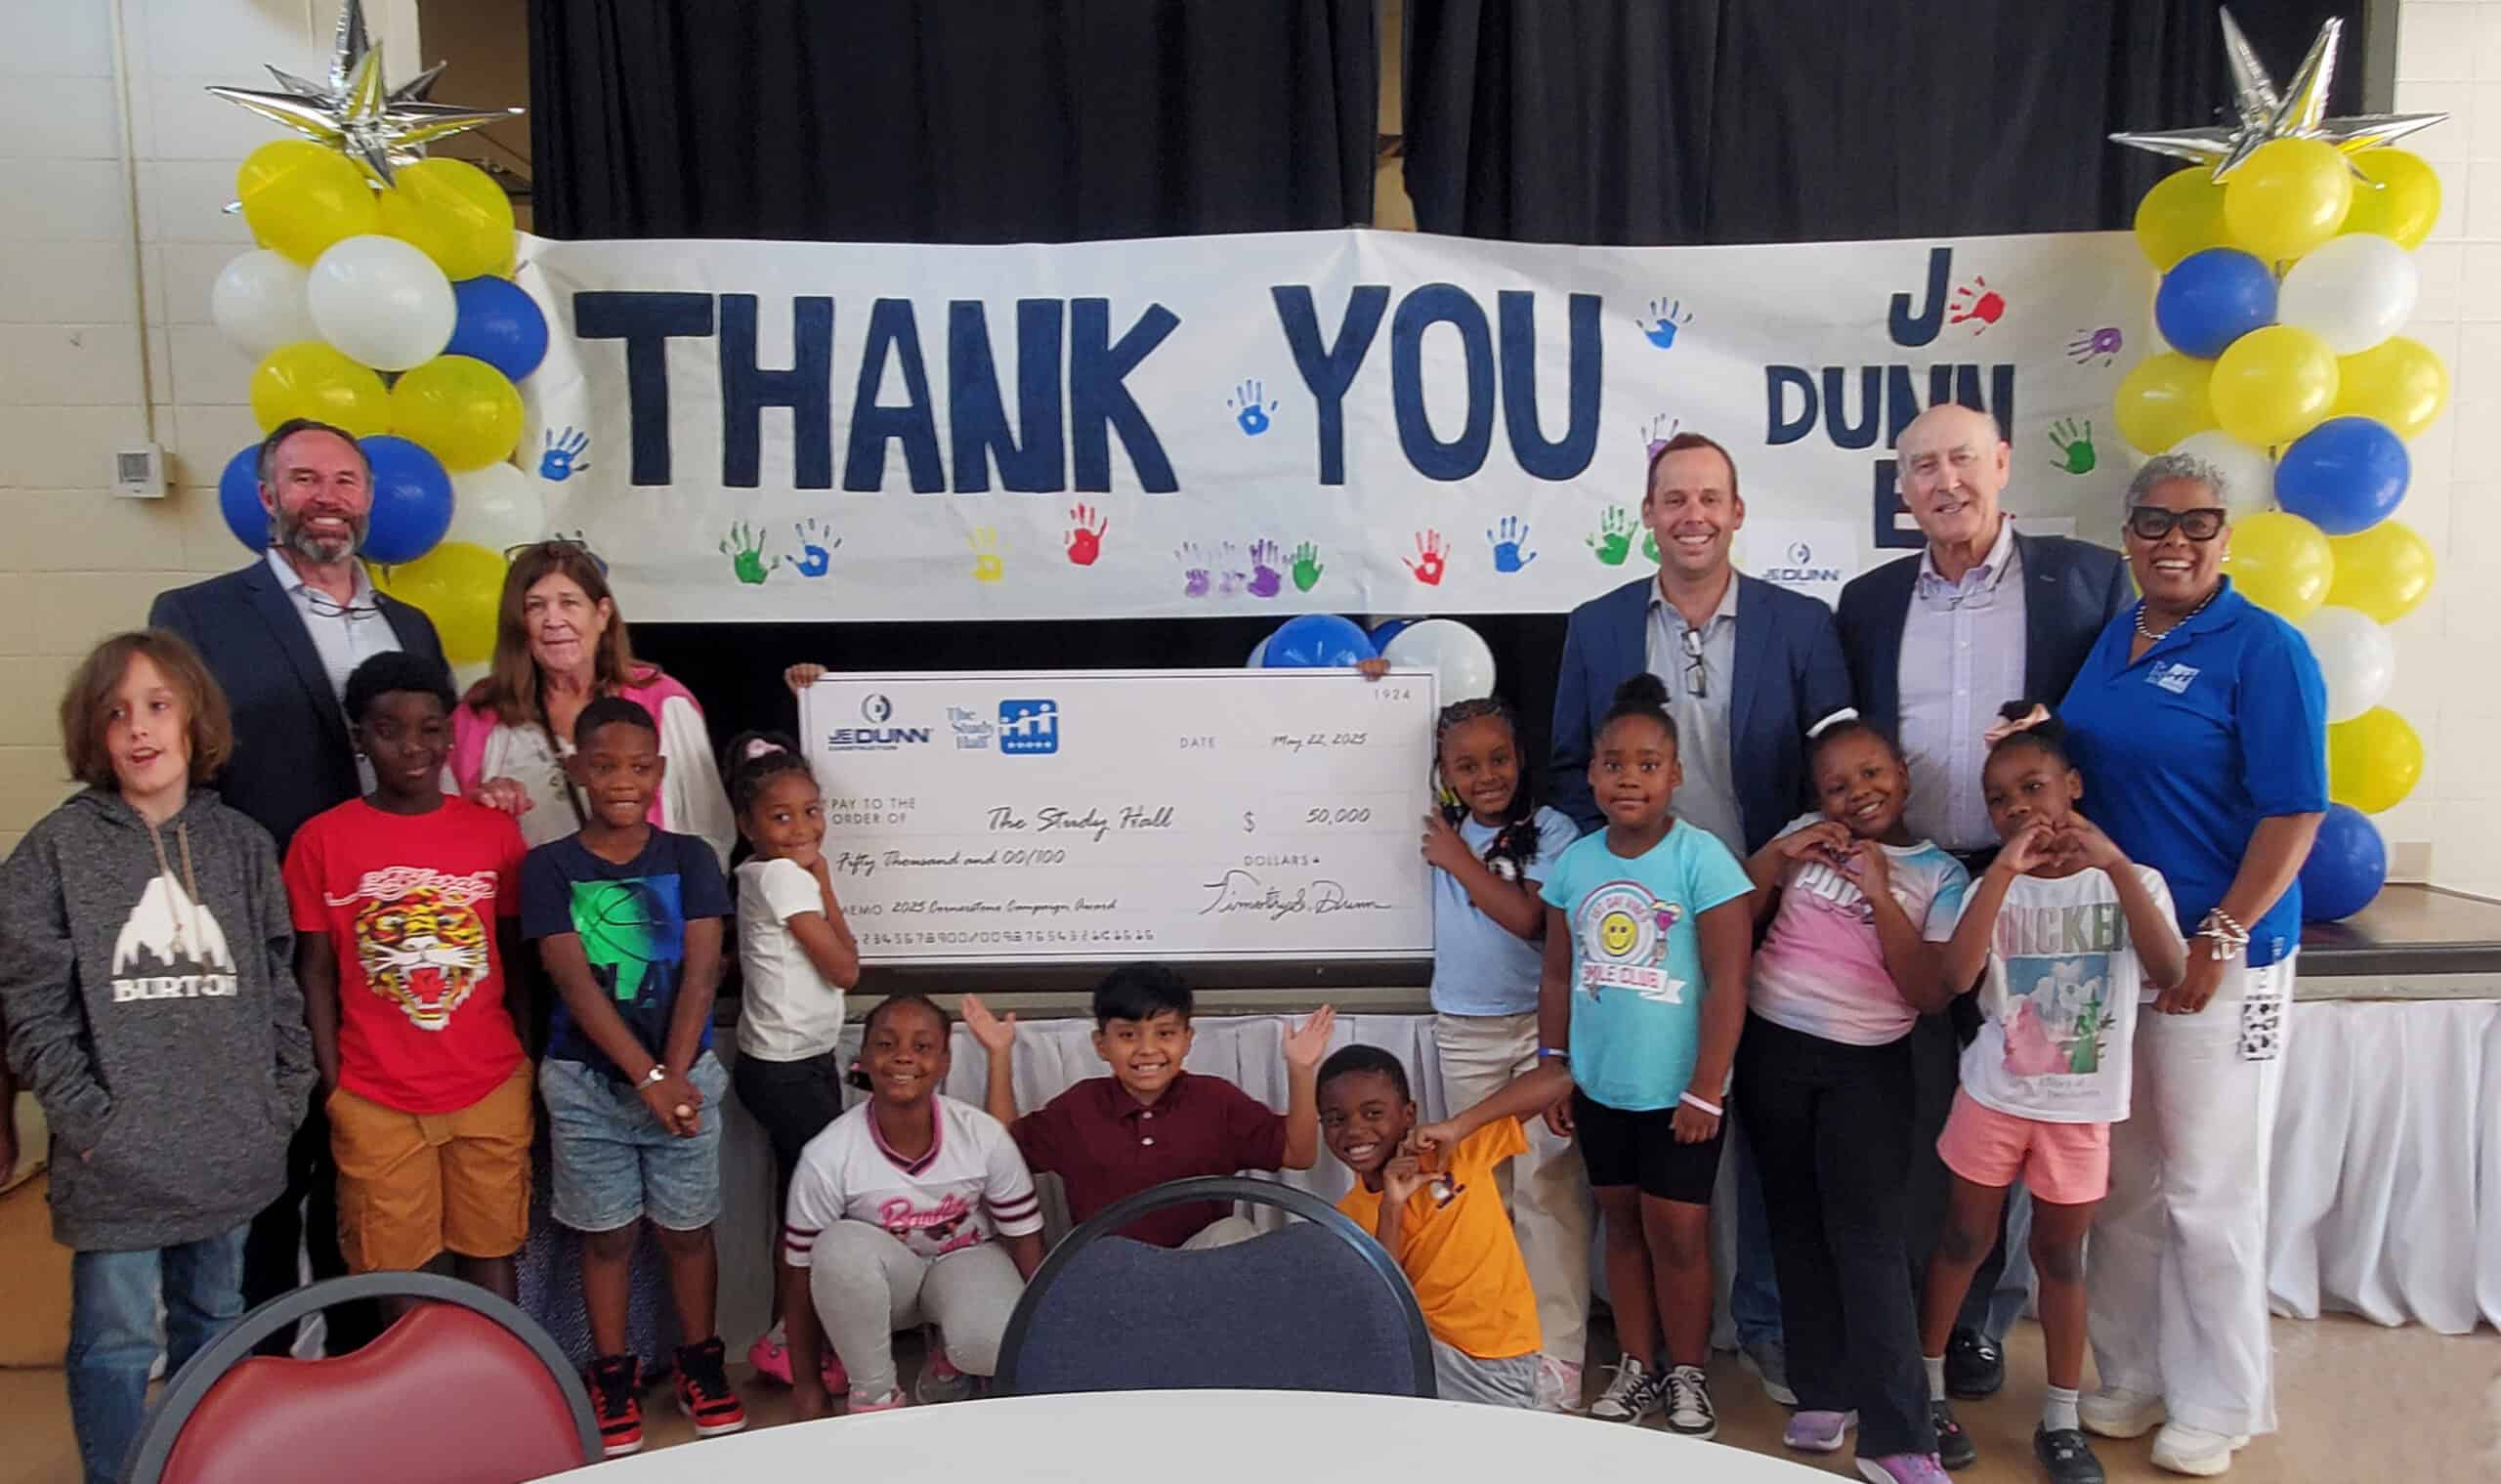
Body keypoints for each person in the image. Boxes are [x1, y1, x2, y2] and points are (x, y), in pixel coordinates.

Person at [1836, 402, 2132, 1399]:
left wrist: (2061, 734)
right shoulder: (1869, 599)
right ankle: (1915, 1311)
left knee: (2028, 1095)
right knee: (1932, 1112)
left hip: (2038, 886)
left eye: (1962, 458)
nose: (1945, 481)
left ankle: (1981, 1322)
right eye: (1922, 467)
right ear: (1901, 490)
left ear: (2002, 463)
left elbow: (2111, 731)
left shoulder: (2086, 581)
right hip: (1918, 878)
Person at [1550, 431, 1852, 1401]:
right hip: (1637, 924)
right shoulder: (1596, 626)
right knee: (1644, 1147)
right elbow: (1569, 765)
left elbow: (1834, 771)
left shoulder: (1800, 624)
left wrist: (1771, 873)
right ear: (1646, 515)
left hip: (1770, 914)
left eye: (1709, 498)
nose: (1692, 515)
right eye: (1673, 498)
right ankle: (1649, 1348)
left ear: (1737, 512)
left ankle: (1764, 1322)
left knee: (1760, 1121)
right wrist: (1620, 869)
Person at [149, 418, 448, 1356]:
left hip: (394, 932)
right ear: (267, 495)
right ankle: (264, 1370)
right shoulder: (196, 614)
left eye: (346, 481)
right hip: (268, 930)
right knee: (277, 1162)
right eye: (305, 478)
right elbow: (179, 781)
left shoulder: (411, 625)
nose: (328, 497)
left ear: (369, 498)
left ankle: (361, 1359)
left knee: (364, 1164)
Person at [2054, 453, 2327, 1477]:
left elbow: (2295, 810)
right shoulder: (2112, 636)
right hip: (2120, 949)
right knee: (2121, 1180)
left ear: (2227, 535)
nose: (2175, 541)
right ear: (2126, 534)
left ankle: (2220, 1396)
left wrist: (2222, 932)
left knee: (2210, 1183)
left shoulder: (2266, 648)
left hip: (2225, 955)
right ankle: (2131, 1373)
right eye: (2154, 522)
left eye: (2197, 523)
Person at [0, 631, 316, 1484]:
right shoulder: (55, 851)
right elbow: (29, 1004)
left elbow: (280, 986)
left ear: (193, 719)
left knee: (214, 1316)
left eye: (157, 706)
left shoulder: (242, 845)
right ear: (93, 733)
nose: (138, 729)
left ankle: (195, 1468)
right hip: (115, 1163)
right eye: (116, 713)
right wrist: (88, 1121)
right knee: (115, 1341)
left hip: (230, 1147)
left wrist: (280, 1102)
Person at [1922, 712, 2185, 1484]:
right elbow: (1953, 978)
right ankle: (1926, 1390)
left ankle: (2063, 1416)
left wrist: (2117, 866)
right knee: (1963, 1239)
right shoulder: (1989, 887)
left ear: (2073, 786)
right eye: (1999, 799)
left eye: (2033, 787)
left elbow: (2171, 970)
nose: (2018, 808)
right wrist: (2001, 875)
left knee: (2062, 1256)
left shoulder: (2133, 881)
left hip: (2079, 1109)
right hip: (1994, 1097)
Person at [1735, 721, 1969, 1483]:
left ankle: (1898, 1432)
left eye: (1871, 773)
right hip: (1773, 1048)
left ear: (1903, 772)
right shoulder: (1806, 835)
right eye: (1836, 785)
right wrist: (1781, 854)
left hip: (1867, 1066)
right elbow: (1733, 912)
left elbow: (1929, 992)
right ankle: (1824, 1389)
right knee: (1794, 1223)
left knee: (1868, 1239)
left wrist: (1879, 890)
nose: (1857, 793)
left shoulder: (1939, 872)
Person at [520, 697, 743, 1456]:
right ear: (576, 769)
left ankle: (699, 1363)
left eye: (639, 766)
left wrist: (671, 1077)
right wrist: (648, 1077)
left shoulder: (690, 857)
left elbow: (704, 970)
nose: (623, 779)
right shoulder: (550, 867)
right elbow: (572, 980)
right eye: (605, 764)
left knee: (687, 1230)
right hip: (588, 1085)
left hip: (685, 1077)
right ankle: (611, 1375)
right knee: (608, 1235)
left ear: (660, 771)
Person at [280, 654, 532, 1311]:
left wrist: (523, 1063)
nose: (412, 746)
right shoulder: (320, 841)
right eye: (389, 730)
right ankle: (414, 1380)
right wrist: (334, 1085)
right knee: (396, 1269)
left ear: (451, 733)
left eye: (430, 728)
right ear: (359, 739)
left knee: (492, 1250)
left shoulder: (494, 834)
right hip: (375, 1094)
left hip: (489, 1082)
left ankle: (495, 1370)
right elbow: (314, 970)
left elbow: (517, 960)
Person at [1538, 673, 1755, 1436]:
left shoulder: (1704, 861)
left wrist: (1705, 1087)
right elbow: (1558, 973)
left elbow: (1729, 981)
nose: (1629, 778)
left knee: (1680, 1233)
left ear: (1676, 774)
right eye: (1613, 763)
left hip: (1680, 1095)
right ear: (1592, 774)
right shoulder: (1575, 864)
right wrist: (1553, 1063)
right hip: (1601, 1088)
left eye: (1647, 763)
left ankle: (1688, 1370)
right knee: (1621, 1226)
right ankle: (1638, 1363)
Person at [1414, 694, 1592, 1409]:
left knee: (1546, 1190)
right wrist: (1371, 676)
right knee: (1482, 1195)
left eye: (1499, 758)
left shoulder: (1553, 830)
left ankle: (1559, 1352)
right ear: (1444, 772)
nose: (1486, 775)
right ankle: (1499, 1344)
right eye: (1467, 765)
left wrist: (1458, 860)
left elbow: (1529, 920)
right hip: (1466, 1029)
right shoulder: (1437, 825)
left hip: (1538, 1031)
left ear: (1521, 758)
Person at [780, 994, 1044, 1419]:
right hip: (890, 1284)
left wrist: (1046, 1349)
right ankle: (874, 1395)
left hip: (966, 1262)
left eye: (922, 1046)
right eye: (886, 1044)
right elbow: (797, 1273)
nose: (903, 1056)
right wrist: (806, 1384)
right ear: (864, 1057)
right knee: (838, 1247)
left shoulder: (982, 1135)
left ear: (945, 1062)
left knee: (993, 1342)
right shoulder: (828, 1153)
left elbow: (1025, 1239)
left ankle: (951, 1358)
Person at [961, 967, 1334, 1248]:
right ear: (1101, 1045)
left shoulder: (1217, 1100)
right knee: (1092, 1252)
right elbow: (1002, 1153)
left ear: (1187, 1039)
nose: (1147, 1049)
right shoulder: (1079, 1108)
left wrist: (1301, 1070)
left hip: (1199, 1271)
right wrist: (999, 1054)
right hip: (1112, 1273)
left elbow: (1298, 1154)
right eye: (1127, 1035)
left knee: (1235, 1231)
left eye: (1165, 1033)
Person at [716, 732, 860, 1390]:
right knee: (813, 1210)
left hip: (786, 1062)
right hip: (788, 1069)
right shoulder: (782, 876)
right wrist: (824, 880)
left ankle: (788, 1335)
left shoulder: (762, 872)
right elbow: (846, 967)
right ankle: (791, 1343)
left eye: (811, 810)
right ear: (747, 826)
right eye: (781, 816)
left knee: (798, 1202)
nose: (803, 827)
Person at [453, 539, 734, 867]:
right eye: (535, 606)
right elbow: (445, 830)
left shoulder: (663, 701)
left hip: (648, 896)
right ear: (518, 623)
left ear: (602, 614)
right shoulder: (480, 710)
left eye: (569, 603)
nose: (553, 620)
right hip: (531, 897)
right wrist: (481, 809)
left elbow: (711, 833)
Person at [1321, 1044, 1557, 1408]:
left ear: (1408, 1115)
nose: (1355, 1131)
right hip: (1423, 1354)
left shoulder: (1454, 1153)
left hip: (1496, 1362)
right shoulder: (1348, 1213)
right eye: (1336, 1119)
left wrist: (1459, 1126)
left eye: (1373, 1113)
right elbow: (1383, 1304)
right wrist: (1392, 1205)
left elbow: (1558, 1078)